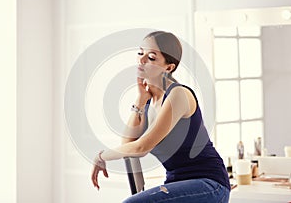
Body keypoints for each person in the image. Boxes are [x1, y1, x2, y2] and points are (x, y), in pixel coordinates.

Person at [91, 31, 231, 203]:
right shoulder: (149, 102)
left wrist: (101, 155)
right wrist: (140, 100)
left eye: (151, 57)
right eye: (140, 53)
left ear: (169, 67)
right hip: (177, 183)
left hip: (209, 183)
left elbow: (141, 148)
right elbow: (127, 146)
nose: (141, 60)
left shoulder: (178, 94)